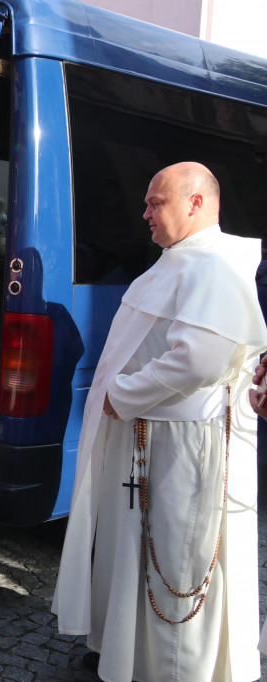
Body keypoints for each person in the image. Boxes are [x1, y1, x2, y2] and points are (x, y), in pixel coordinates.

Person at [51, 162, 267, 682]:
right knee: (134, 554)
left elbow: (199, 359)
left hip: (179, 446)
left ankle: (172, 670)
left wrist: (121, 395)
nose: (144, 212)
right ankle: (126, 653)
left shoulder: (212, 265)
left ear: (195, 202)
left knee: (175, 562)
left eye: (156, 202)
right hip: (149, 439)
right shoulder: (178, 260)